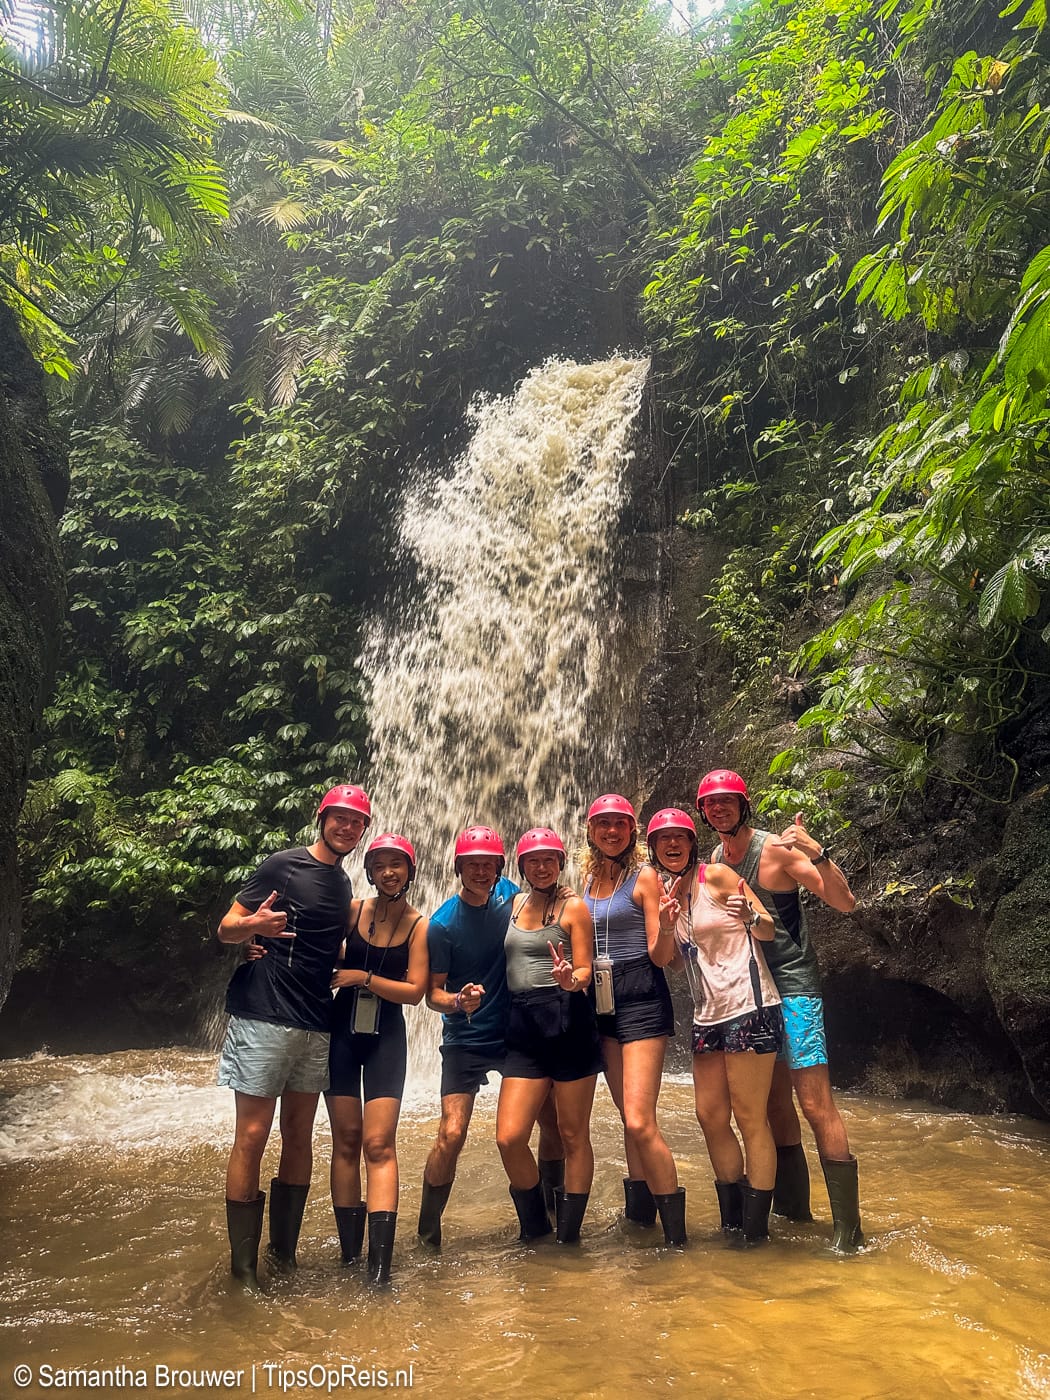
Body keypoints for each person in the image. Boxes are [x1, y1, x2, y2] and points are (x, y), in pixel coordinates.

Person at [697, 768, 863, 1252]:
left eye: (729, 801)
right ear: (704, 812)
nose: (720, 808)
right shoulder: (714, 859)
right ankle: (795, 1213)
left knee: (814, 1103)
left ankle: (848, 1235)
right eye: (712, 804)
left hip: (793, 989)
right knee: (772, 1105)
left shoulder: (773, 850)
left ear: (743, 805)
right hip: (749, 997)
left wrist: (819, 853)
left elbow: (844, 902)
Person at [216, 783, 370, 1288]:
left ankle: (284, 1255)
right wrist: (252, 928)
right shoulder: (283, 864)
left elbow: (333, 947)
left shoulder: (344, 884)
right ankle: (244, 1269)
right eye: (339, 818)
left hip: (314, 1020)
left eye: (356, 822)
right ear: (321, 818)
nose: (346, 827)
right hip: (263, 1014)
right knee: (253, 1135)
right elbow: (226, 927)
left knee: (298, 1137)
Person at [417, 825, 564, 1248]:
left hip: (517, 1032)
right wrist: (458, 1001)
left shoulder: (513, 898)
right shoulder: (442, 925)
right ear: (458, 868)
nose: (481, 871)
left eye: (488, 864)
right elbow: (432, 995)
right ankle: (428, 1232)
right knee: (452, 1133)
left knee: (550, 1123)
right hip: (466, 1039)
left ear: (501, 867)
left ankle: (545, 1219)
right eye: (472, 864)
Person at [648, 808, 783, 1245]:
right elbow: (665, 958)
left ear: (691, 843)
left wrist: (750, 915)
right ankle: (733, 1222)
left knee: (750, 1116)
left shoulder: (718, 876)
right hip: (707, 1015)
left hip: (748, 1005)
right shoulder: (672, 893)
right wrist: (666, 926)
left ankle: (755, 1232)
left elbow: (769, 931)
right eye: (663, 840)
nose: (672, 845)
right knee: (709, 1115)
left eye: (680, 838)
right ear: (653, 850)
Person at [580, 794, 686, 1247]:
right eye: (603, 825)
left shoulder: (644, 878)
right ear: (591, 831)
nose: (611, 832)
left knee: (641, 1120)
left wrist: (664, 925)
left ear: (631, 830)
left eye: (619, 825)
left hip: (642, 994)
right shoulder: (585, 879)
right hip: (600, 1000)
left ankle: (677, 1237)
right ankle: (641, 1222)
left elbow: (662, 957)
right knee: (628, 1118)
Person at [325, 832, 429, 1286]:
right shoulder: (353, 912)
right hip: (341, 1035)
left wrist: (362, 976)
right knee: (346, 1140)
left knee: (378, 1144)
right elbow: (316, 955)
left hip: (386, 1036)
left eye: (398, 865)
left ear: (409, 871)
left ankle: (379, 1269)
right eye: (381, 864)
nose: (390, 872)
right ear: (370, 871)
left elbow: (414, 992)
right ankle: (350, 1255)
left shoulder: (417, 925)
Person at [495, 829, 601, 1244]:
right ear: (522, 866)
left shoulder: (574, 907)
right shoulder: (513, 903)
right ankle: (535, 1227)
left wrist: (569, 979)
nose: (542, 867)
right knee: (509, 1137)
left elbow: (585, 969)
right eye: (533, 861)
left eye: (549, 860)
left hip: (567, 1018)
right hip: (522, 1025)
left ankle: (569, 1236)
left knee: (574, 1133)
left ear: (560, 863)